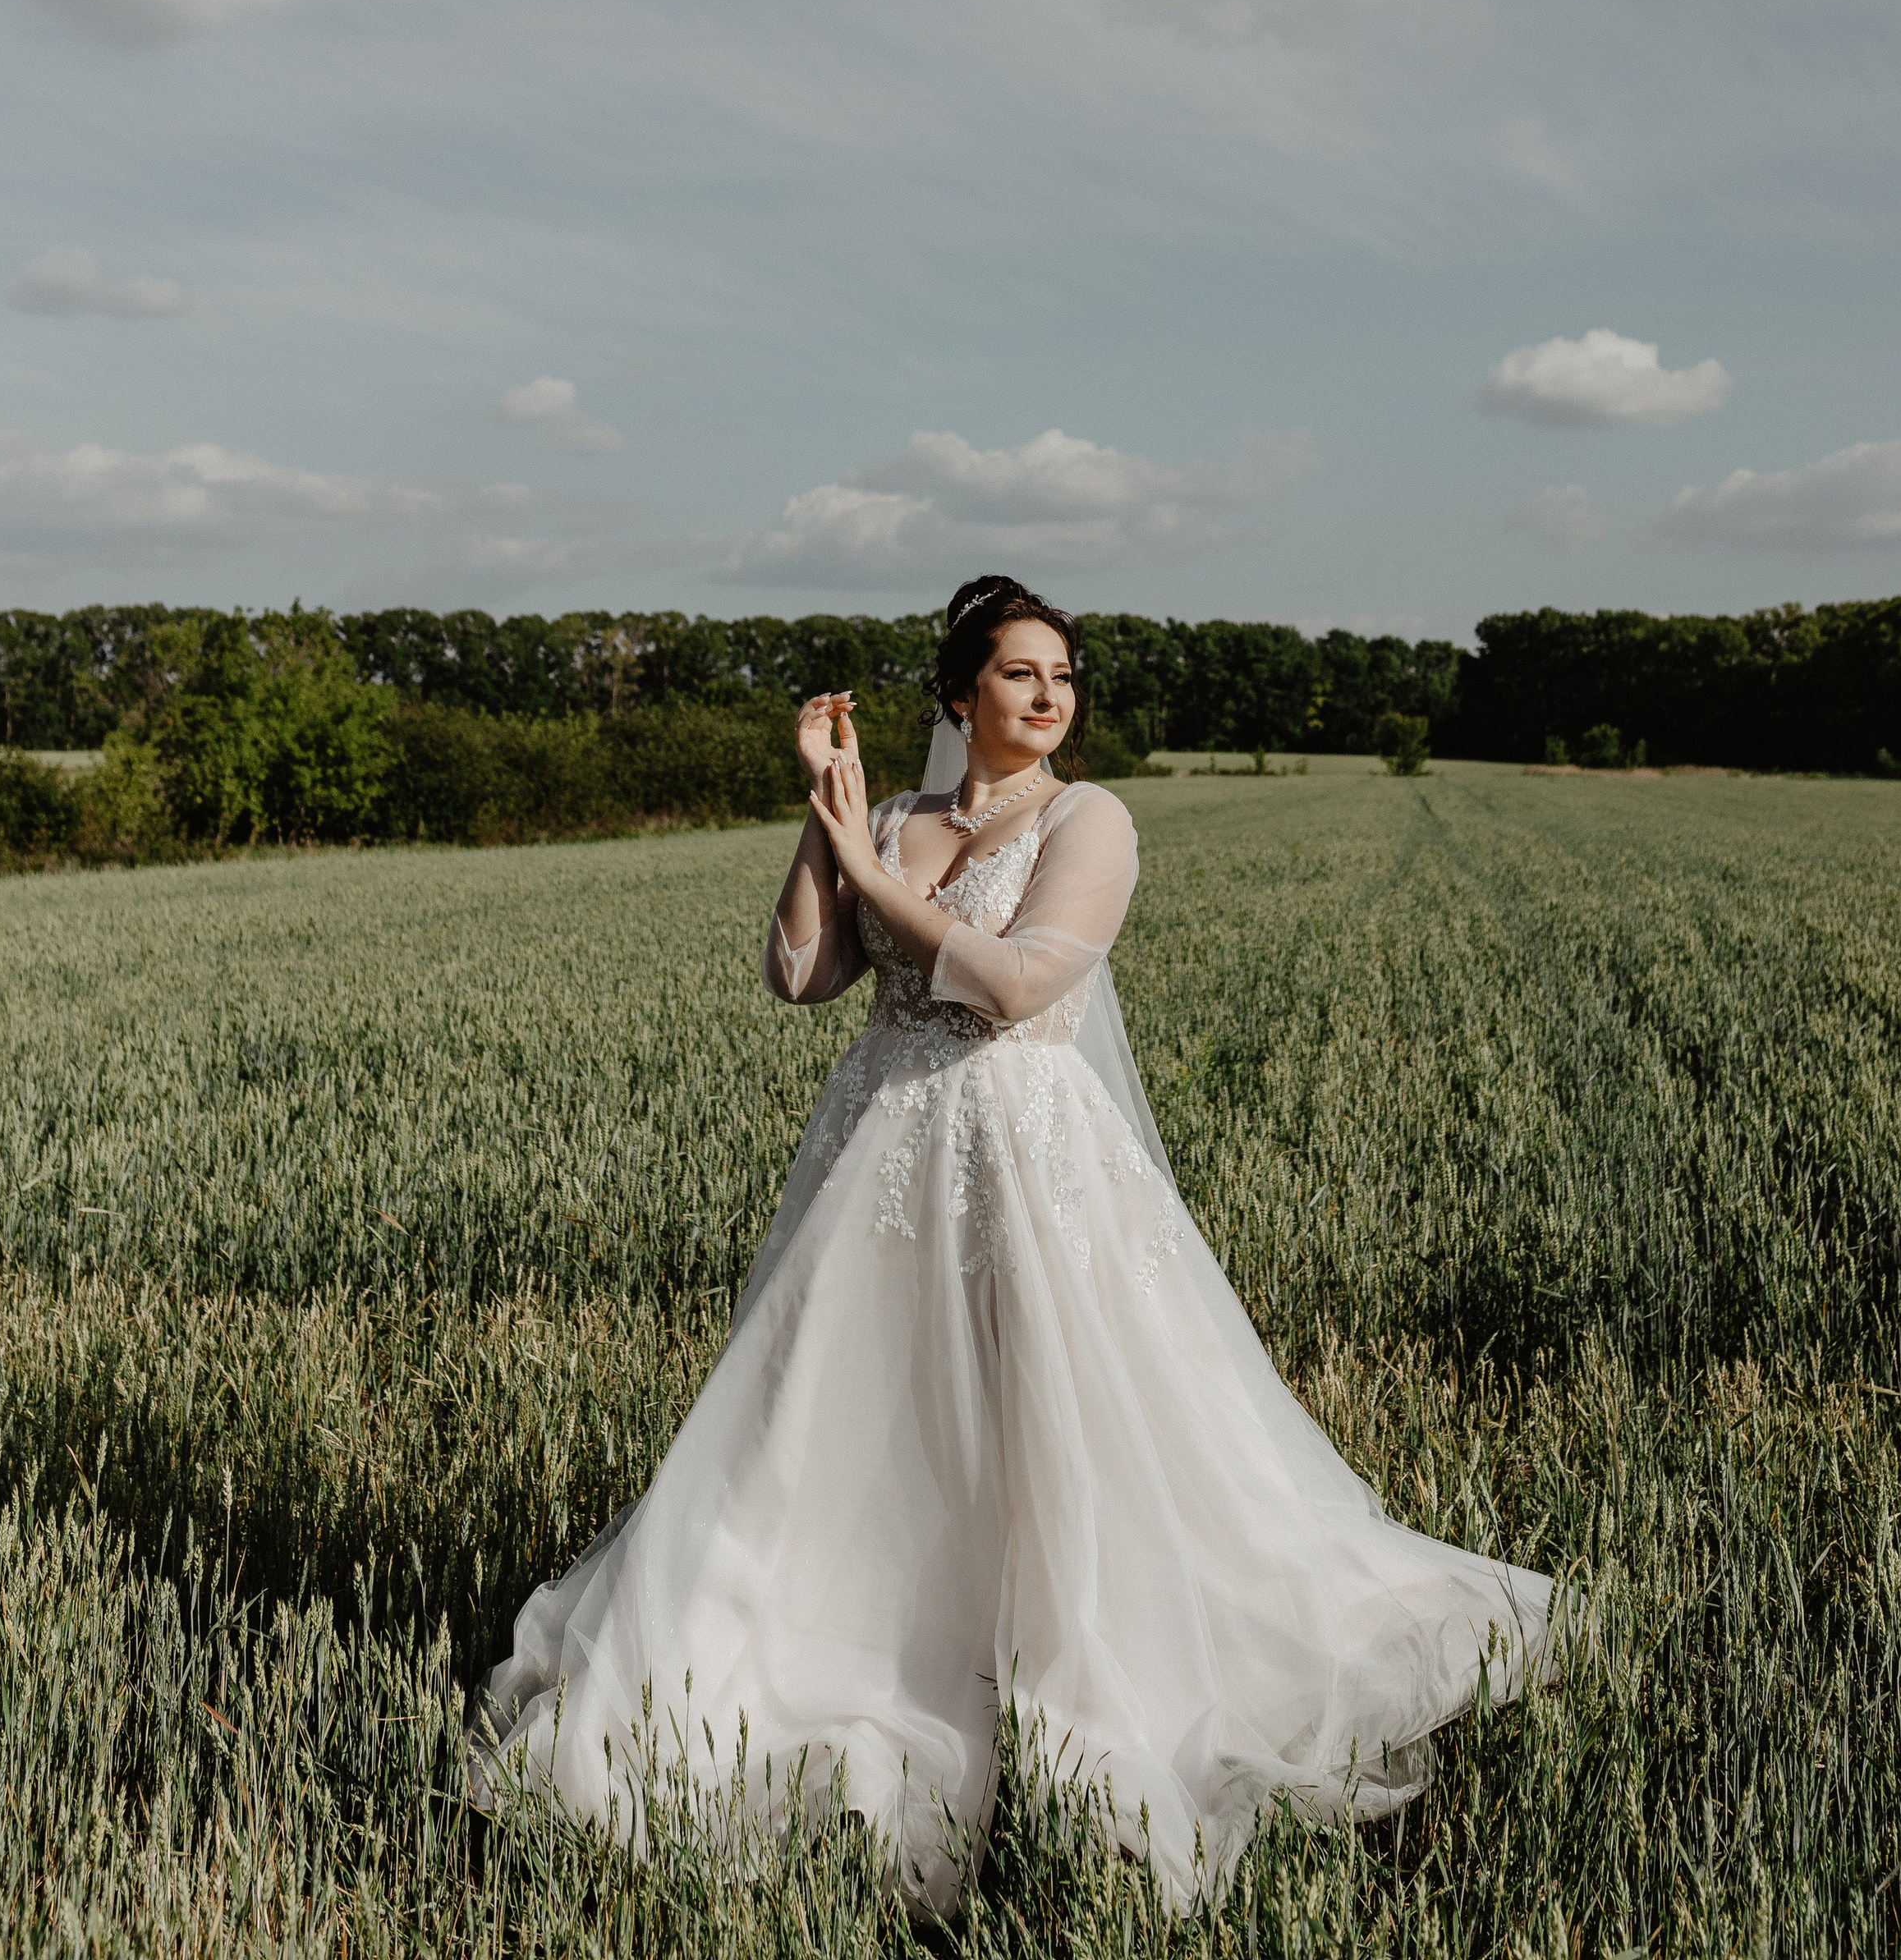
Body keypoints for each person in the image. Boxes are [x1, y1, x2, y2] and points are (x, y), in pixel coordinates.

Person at [470, 574, 1554, 1907]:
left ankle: (1071, 1687)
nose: (1049, 700)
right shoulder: (895, 816)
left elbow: (1025, 980)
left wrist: (873, 875)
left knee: (1056, 1414)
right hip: (876, 1158)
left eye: (1064, 679)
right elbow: (804, 976)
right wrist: (830, 813)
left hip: (1025, 1155)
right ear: (960, 692)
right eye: (1021, 675)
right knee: (842, 1420)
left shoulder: (1089, 817)